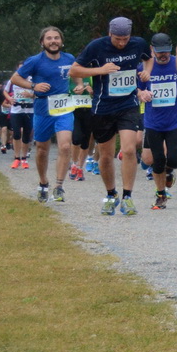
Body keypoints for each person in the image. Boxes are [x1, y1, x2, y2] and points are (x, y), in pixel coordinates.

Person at [71, 17, 153, 216]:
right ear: (110, 34)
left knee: (129, 149)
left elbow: (148, 57)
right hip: (103, 107)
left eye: (125, 38)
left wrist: (147, 72)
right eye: (118, 39)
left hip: (128, 104)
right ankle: (110, 194)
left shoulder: (138, 43)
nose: (122, 43)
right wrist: (100, 70)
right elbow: (74, 70)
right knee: (106, 156)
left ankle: (127, 197)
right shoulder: (97, 47)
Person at [10, 27, 81, 203]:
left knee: (65, 146)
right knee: (42, 149)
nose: (53, 41)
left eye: (56, 38)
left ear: (61, 41)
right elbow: (15, 79)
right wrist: (33, 86)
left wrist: (79, 85)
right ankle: (43, 182)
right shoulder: (35, 61)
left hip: (64, 108)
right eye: (49, 38)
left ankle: (59, 186)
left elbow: (76, 74)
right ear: (42, 42)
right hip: (43, 108)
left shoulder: (69, 58)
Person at [142, 33, 177, 209]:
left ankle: (169, 172)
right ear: (152, 50)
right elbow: (135, 89)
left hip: (174, 121)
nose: (163, 55)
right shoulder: (144, 67)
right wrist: (141, 93)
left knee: (174, 160)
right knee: (157, 160)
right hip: (153, 122)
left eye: (166, 51)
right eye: (159, 52)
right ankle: (161, 195)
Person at [4, 76, 33, 169]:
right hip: (16, 110)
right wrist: (9, 98)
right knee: (16, 134)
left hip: (29, 110)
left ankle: (24, 158)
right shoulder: (13, 79)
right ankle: (17, 158)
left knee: (26, 134)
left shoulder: (33, 79)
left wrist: (32, 95)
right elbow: (5, 91)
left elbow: (40, 92)